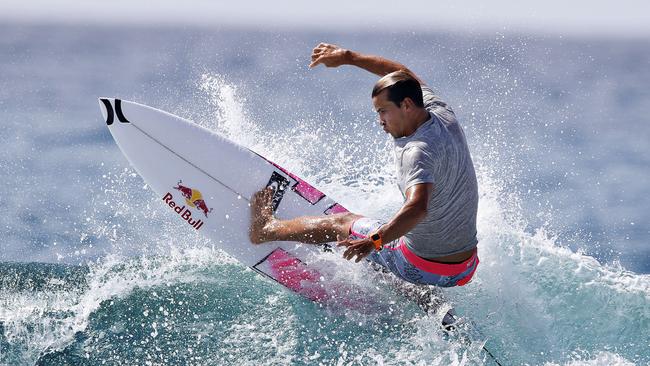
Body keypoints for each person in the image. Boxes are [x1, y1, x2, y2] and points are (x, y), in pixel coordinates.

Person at [249, 43, 479, 287]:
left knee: (342, 222)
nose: (380, 121)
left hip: (420, 266)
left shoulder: (416, 152)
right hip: (465, 268)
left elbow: (417, 208)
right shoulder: (440, 111)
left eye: (383, 111)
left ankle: (266, 229)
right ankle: (422, 296)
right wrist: (349, 57)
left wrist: (374, 242)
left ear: (407, 105)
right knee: (394, 237)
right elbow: (404, 75)